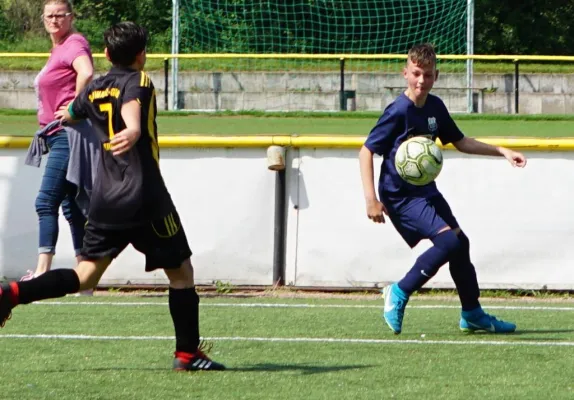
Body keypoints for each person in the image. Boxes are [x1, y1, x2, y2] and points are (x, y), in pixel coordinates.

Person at [0, 21, 225, 371]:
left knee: (85, 276)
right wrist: (133, 129)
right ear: (142, 55)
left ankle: (11, 294)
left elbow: (72, 114)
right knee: (181, 272)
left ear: (105, 54)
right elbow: (132, 108)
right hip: (146, 197)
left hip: (106, 200)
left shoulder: (94, 89)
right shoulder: (140, 79)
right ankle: (187, 354)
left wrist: (71, 114)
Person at [359, 43, 527, 335]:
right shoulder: (398, 111)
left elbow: (460, 141)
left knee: (460, 244)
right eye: (415, 73)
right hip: (399, 196)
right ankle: (398, 292)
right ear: (405, 73)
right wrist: (371, 199)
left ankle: (472, 313)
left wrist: (502, 150)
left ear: (436, 76)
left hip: (425, 191)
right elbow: (365, 152)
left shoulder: (435, 107)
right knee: (448, 243)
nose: (421, 81)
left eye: (427, 74)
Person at [22, 0, 97, 297]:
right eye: (49, 16)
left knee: (45, 201)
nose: (54, 20)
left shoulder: (74, 42)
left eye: (60, 15)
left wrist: (76, 109)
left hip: (68, 134)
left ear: (70, 17)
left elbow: (87, 72)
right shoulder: (58, 48)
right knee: (71, 206)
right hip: (56, 135)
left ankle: (42, 272)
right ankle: (85, 279)